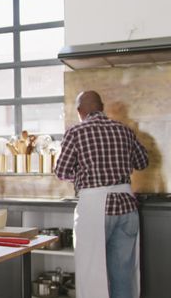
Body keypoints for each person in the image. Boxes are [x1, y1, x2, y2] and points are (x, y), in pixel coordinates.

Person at [55, 90, 148, 298]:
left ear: (80, 111)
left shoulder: (76, 132)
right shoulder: (125, 131)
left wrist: (82, 176)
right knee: (124, 274)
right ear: (102, 107)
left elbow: (61, 171)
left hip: (94, 208)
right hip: (126, 206)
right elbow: (143, 162)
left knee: (91, 274)